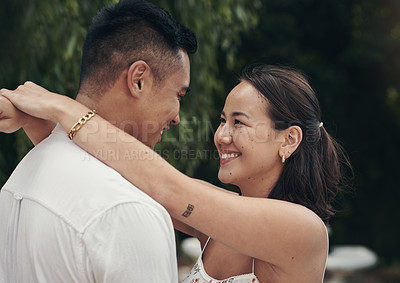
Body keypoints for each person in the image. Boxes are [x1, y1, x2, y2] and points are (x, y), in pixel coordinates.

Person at [1, 65, 351, 282]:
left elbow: (163, 184)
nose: (221, 136)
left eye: (239, 122)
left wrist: (62, 105)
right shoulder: (216, 221)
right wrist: (40, 125)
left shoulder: (303, 231)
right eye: (222, 120)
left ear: (289, 140)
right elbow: (114, 177)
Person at [0, 0, 197, 282]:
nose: (177, 117)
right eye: (178, 95)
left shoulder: (22, 175)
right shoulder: (128, 211)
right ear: (138, 80)